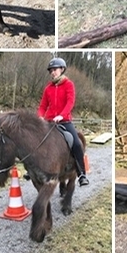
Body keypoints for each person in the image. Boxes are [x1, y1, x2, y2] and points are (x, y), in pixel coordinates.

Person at [37, 58, 89, 186]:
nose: (52, 73)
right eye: (51, 71)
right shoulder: (48, 88)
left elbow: (70, 102)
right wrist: (40, 116)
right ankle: (34, 169)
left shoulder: (69, 84)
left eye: (54, 70)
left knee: (76, 143)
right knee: (36, 141)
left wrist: (61, 115)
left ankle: (82, 174)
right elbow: (43, 106)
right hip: (49, 122)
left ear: (62, 69)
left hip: (64, 121)